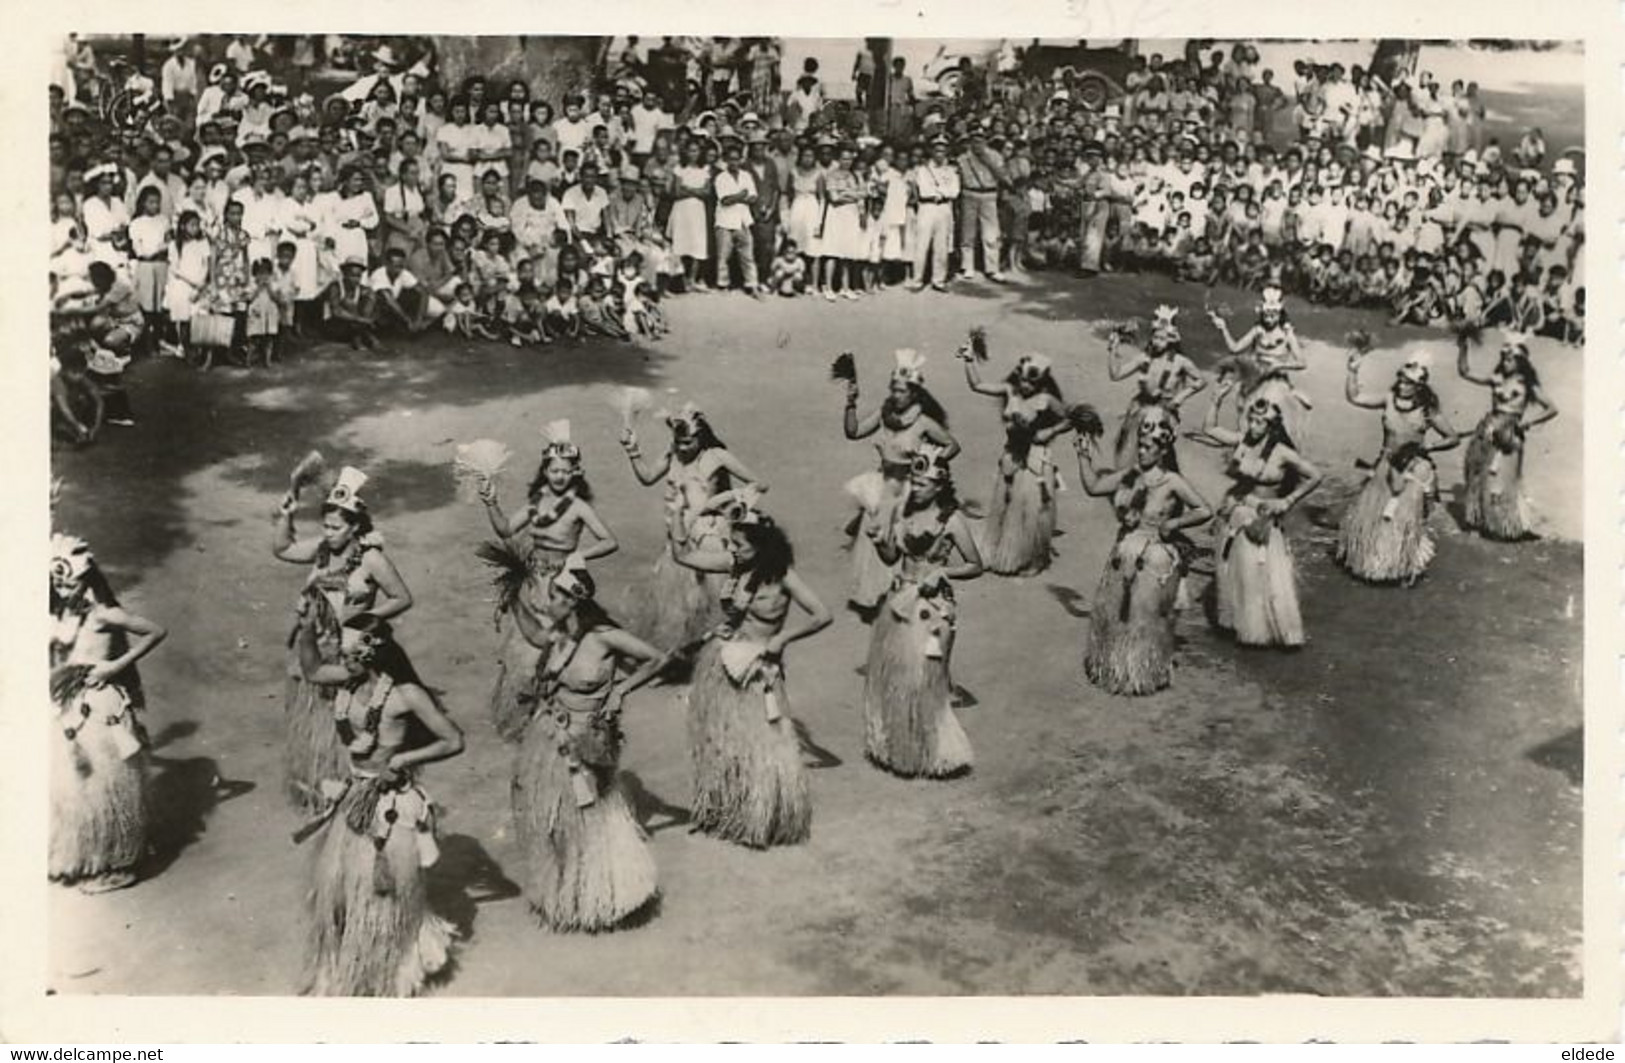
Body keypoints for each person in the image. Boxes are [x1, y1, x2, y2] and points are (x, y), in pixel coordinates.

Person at [292, 612, 464, 996]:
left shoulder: (405, 695)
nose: (341, 655)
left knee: (378, 893)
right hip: (355, 795)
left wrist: (403, 760)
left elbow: (453, 740)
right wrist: (304, 627)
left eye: (349, 650)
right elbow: (312, 670)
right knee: (338, 887)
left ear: (369, 654)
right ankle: (346, 964)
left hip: (388, 804)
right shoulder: (348, 682)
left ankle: (382, 971)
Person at [505, 557, 669, 930]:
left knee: (589, 817)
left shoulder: (604, 637)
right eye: (554, 592)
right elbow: (534, 634)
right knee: (558, 820)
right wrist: (513, 596)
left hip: (587, 739)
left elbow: (656, 658)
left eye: (561, 595)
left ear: (576, 599)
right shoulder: (557, 635)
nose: (552, 599)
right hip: (550, 736)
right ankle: (570, 893)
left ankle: (607, 894)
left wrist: (621, 690)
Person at [676, 497, 832, 847]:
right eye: (731, 543)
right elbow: (683, 556)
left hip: (758, 667)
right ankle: (725, 811)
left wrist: (784, 638)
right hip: (723, 661)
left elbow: (823, 614)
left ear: (761, 545)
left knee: (764, 743)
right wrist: (683, 518)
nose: (733, 550)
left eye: (740, 545)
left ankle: (764, 817)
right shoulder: (734, 564)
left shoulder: (783, 577)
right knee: (723, 740)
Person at [272, 466, 415, 812]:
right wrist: (286, 512)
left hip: (351, 652)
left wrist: (367, 619)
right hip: (316, 648)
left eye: (337, 527)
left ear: (354, 527)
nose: (329, 532)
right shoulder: (321, 550)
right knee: (318, 720)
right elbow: (283, 549)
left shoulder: (370, 559)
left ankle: (352, 788)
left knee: (350, 721)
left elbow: (402, 598)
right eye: (326, 525)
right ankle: (320, 782)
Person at [477, 421, 620, 741]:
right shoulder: (535, 504)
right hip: (533, 583)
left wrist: (579, 556)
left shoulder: (579, 507)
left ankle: (565, 711)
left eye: (565, 471)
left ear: (575, 473)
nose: (558, 476)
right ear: (545, 472)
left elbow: (610, 541)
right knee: (527, 649)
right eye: (553, 470)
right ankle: (526, 714)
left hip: (565, 585)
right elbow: (505, 530)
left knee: (565, 648)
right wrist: (491, 502)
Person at [50, 533, 166, 893]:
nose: (64, 588)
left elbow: (156, 630)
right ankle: (83, 854)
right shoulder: (62, 614)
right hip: (69, 706)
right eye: (58, 582)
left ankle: (119, 862)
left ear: (85, 579)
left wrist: (114, 667)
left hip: (100, 708)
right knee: (73, 785)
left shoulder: (104, 613)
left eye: (70, 582)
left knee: (106, 787)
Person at [861, 443, 984, 778]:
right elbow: (891, 558)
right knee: (899, 678)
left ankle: (933, 752)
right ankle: (900, 749)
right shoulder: (903, 512)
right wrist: (878, 540)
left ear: (939, 485)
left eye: (923, 484)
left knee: (925, 681)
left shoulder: (952, 521)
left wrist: (944, 573)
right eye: (914, 482)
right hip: (900, 602)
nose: (916, 488)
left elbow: (976, 565)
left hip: (933, 610)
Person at [1072, 404, 1211, 695]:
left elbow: (1203, 510)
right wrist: (1083, 455)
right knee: (1117, 614)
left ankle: (1141, 672)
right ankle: (1116, 668)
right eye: (1141, 445)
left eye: (1148, 447)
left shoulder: (1172, 481)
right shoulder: (1130, 474)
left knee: (1143, 616)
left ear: (1162, 451)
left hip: (1154, 558)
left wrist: (1174, 522)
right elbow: (1094, 487)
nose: (1141, 451)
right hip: (1124, 554)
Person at [621, 403, 765, 648]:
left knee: (712, 602)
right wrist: (632, 450)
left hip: (708, 539)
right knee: (682, 604)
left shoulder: (716, 456)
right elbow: (647, 477)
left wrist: (722, 502)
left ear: (701, 437)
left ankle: (715, 656)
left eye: (688, 442)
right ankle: (686, 658)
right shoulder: (673, 454)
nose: (682, 448)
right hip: (678, 538)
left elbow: (759, 484)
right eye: (679, 443)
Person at [1193, 387, 1323, 649]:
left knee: (1266, 572)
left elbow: (1315, 476)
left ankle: (1274, 627)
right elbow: (1210, 429)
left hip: (1264, 516)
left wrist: (1287, 500)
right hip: (1240, 512)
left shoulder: (1282, 452)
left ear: (1272, 425)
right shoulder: (1243, 441)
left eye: (1260, 422)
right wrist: (1214, 401)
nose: (1253, 426)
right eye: (1251, 419)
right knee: (1241, 571)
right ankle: (1247, 626)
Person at [840, 348, 959, 612]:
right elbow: (854, 431)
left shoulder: (924, 423)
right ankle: (875, 597)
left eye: (902, 390)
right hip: (882, 485)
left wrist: (929, 462)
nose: (896, 394)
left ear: (914, 393)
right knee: (875, 540)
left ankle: (898, 596)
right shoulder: (885, 415)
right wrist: (850, 403)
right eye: (893, 389)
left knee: (901, 541)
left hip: (907, 489)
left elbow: (952, 446)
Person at [1338, 344, 1461, 583]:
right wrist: (1353, 371)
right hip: (1386, 465)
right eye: (1401, 380)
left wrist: (1430, 447)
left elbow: (1453, 438)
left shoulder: (1428, 411)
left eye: (1409, 383)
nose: (1403, 386)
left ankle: (1397, 565)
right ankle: (1373, 564)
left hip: (1413, 469)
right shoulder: (1388, 399)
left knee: (1400, 518)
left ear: (1419, 387)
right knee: (1375, 515)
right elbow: (1355, 397)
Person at [960, 345, 1072, 576]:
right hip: (1011, 454)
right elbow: (977, 385)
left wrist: (1050, 432)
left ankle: (1034, 560)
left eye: (1030, 383)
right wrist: (969, 360)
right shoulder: (1010, 390)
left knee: (1030, 513)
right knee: (1005, 504)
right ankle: (1003, 550)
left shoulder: (1047, 400)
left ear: (1041, 382)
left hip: (1035, 459)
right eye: (1022, 380)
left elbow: (1070, 418)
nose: (1024, 385)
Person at [1457, 332, 1557, 541]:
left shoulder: (1527, 384)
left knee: (1503, 478)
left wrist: (1527, 423)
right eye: (1504, 358)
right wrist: (1463, 348)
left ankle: (1504, 524)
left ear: (1520, 361)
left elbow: (1551, 408)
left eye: (1510, 359)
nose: (1506, 362)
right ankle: (1480, 521)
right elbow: (1465, 373)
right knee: (1479, 474)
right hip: (1487, 430)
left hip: (1510, 434)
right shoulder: (1496, 379)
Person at [1208, 286, 1314, 447]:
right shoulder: (1257, 330)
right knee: (1246, 415)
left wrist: (1280, 365)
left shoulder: (1287, 334)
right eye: (1267, 315)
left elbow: (1302, 362)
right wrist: (1224, 328)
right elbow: (1235, 348)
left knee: (1270, 410)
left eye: (1273, 315)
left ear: (1279, 314)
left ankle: (1277, 443)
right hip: (1255, 378)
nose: (1270, 319)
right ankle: (1246, 443)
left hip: (1276, 381)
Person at [1107, 306, 1206, 468]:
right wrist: (1113, 349)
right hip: (1140, 408)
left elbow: (1201, 380)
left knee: (1157, 452)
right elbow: (1116, 375)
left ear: (1171, 341)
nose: (1157, 342)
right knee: (1130, 449)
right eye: (1155, 337)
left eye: (1162, 339)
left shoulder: (1180, 361)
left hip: (1164, 411)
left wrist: (1181, 396)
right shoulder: (1144, 358)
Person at [909, 137, 959, 291]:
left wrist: (942, 193)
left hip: (943, 207)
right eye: (937, 150)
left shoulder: (951, 171)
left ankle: (938, 280)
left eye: (943, 151)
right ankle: (917, 280)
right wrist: (941, 192)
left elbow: (954, 191)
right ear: (931, 151)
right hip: (927, 206)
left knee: (941, 246)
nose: (940, 154)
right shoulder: (922, 170)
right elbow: (923, 190)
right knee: (921, 244)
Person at [712, 138, 760, 296]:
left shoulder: (746, 175)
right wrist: (741, 195)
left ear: (740, 159)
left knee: (747, 255)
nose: (734, 162)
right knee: (723, 256)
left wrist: (737, 197)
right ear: (725, 160)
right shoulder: (721, 178)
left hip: (743, 219)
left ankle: (752, 285)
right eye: (731, 159)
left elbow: (753, 197)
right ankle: (722, 285)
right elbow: (725, 200)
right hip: (725, 220)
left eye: (736, 159)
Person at [956, 129, 1007, 281]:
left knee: (991, 232)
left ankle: (992, 268)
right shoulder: (963, 158)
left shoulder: (995, 156)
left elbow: (1002, 176)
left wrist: (988, 161)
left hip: (989, 194)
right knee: (968, 231)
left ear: (986, 141)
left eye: (981, 140)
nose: (978, 143)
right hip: (969, 193)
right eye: (975, 140)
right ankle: (967, 266)